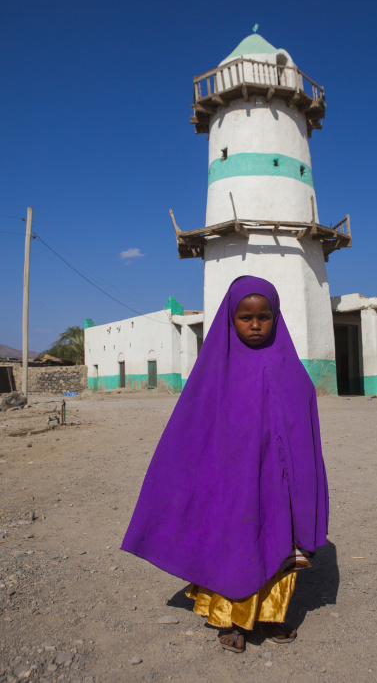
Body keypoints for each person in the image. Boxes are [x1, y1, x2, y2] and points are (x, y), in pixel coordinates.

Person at [122, 276, 329, 653]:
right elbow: (191, 434)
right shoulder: (214, 372)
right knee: (235, 541)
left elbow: (305, 438)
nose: (254, 325)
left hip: (277, 482)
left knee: (278, 537)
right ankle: (230, 618)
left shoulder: (292, 371)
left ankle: (272, 614)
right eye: (245, 317)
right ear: (230, 320)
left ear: (276, 317)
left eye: (263, 316)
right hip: (232, 481)